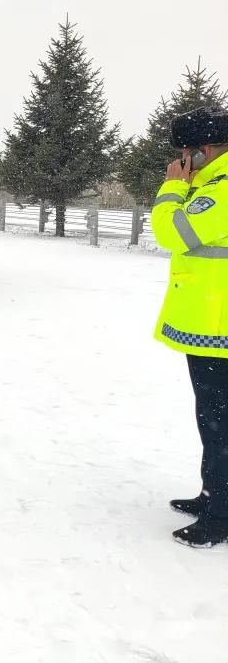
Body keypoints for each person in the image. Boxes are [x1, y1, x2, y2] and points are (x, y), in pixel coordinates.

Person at [151, 106, 228, 547]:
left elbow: (172, 232)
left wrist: (171, 186)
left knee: (221, 423)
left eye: (186, 150)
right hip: (212, 324)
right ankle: (213, 493)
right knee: (213, 419)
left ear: (205, 149)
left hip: (220, 326)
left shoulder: (221, 188)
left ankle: (220, 515)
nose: (181, 158)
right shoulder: (211, 184)